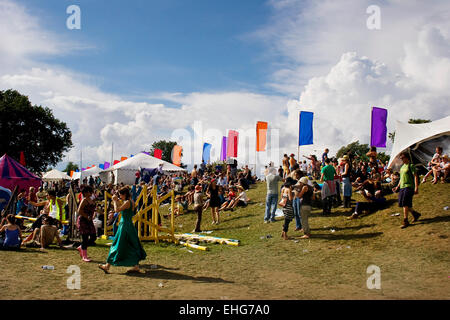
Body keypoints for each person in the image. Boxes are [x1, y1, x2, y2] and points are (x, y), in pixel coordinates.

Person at [99, 187, 147, 273]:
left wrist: (114, 201)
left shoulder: (127, 202)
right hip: (129, 225)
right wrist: (117, 201)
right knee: (131, 245)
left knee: (117, 245)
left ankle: (107, 266)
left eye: (120, 195)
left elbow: (117, 210)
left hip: (124, 226)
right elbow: (122, 206)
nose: (120, 196)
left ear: (124, 194)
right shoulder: (131, 201)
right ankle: (135, 266)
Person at [393, 152, 420, 229]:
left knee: (405, 203)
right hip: (402, 187)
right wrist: (397, 187)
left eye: (403, 158)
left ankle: (405, 221)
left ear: (407, 157)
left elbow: (415, 177)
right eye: (401, 158)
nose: (402, 159)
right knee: (403, 203)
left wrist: (416, 187)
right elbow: (401, 178)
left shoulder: (411, 166)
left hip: (409, 186)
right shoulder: (402, 167)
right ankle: (415, 214)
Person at [76, 186, 97, 262]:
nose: (86, 193)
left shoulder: (91, 200)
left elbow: (93, 209)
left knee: (93, 237)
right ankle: (84, 256)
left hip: (89, 220)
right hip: (83, 220)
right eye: (85, 192)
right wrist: (86, 216)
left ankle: (81, 247)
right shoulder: (84, 200)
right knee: (85, 238)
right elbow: (79, 211)